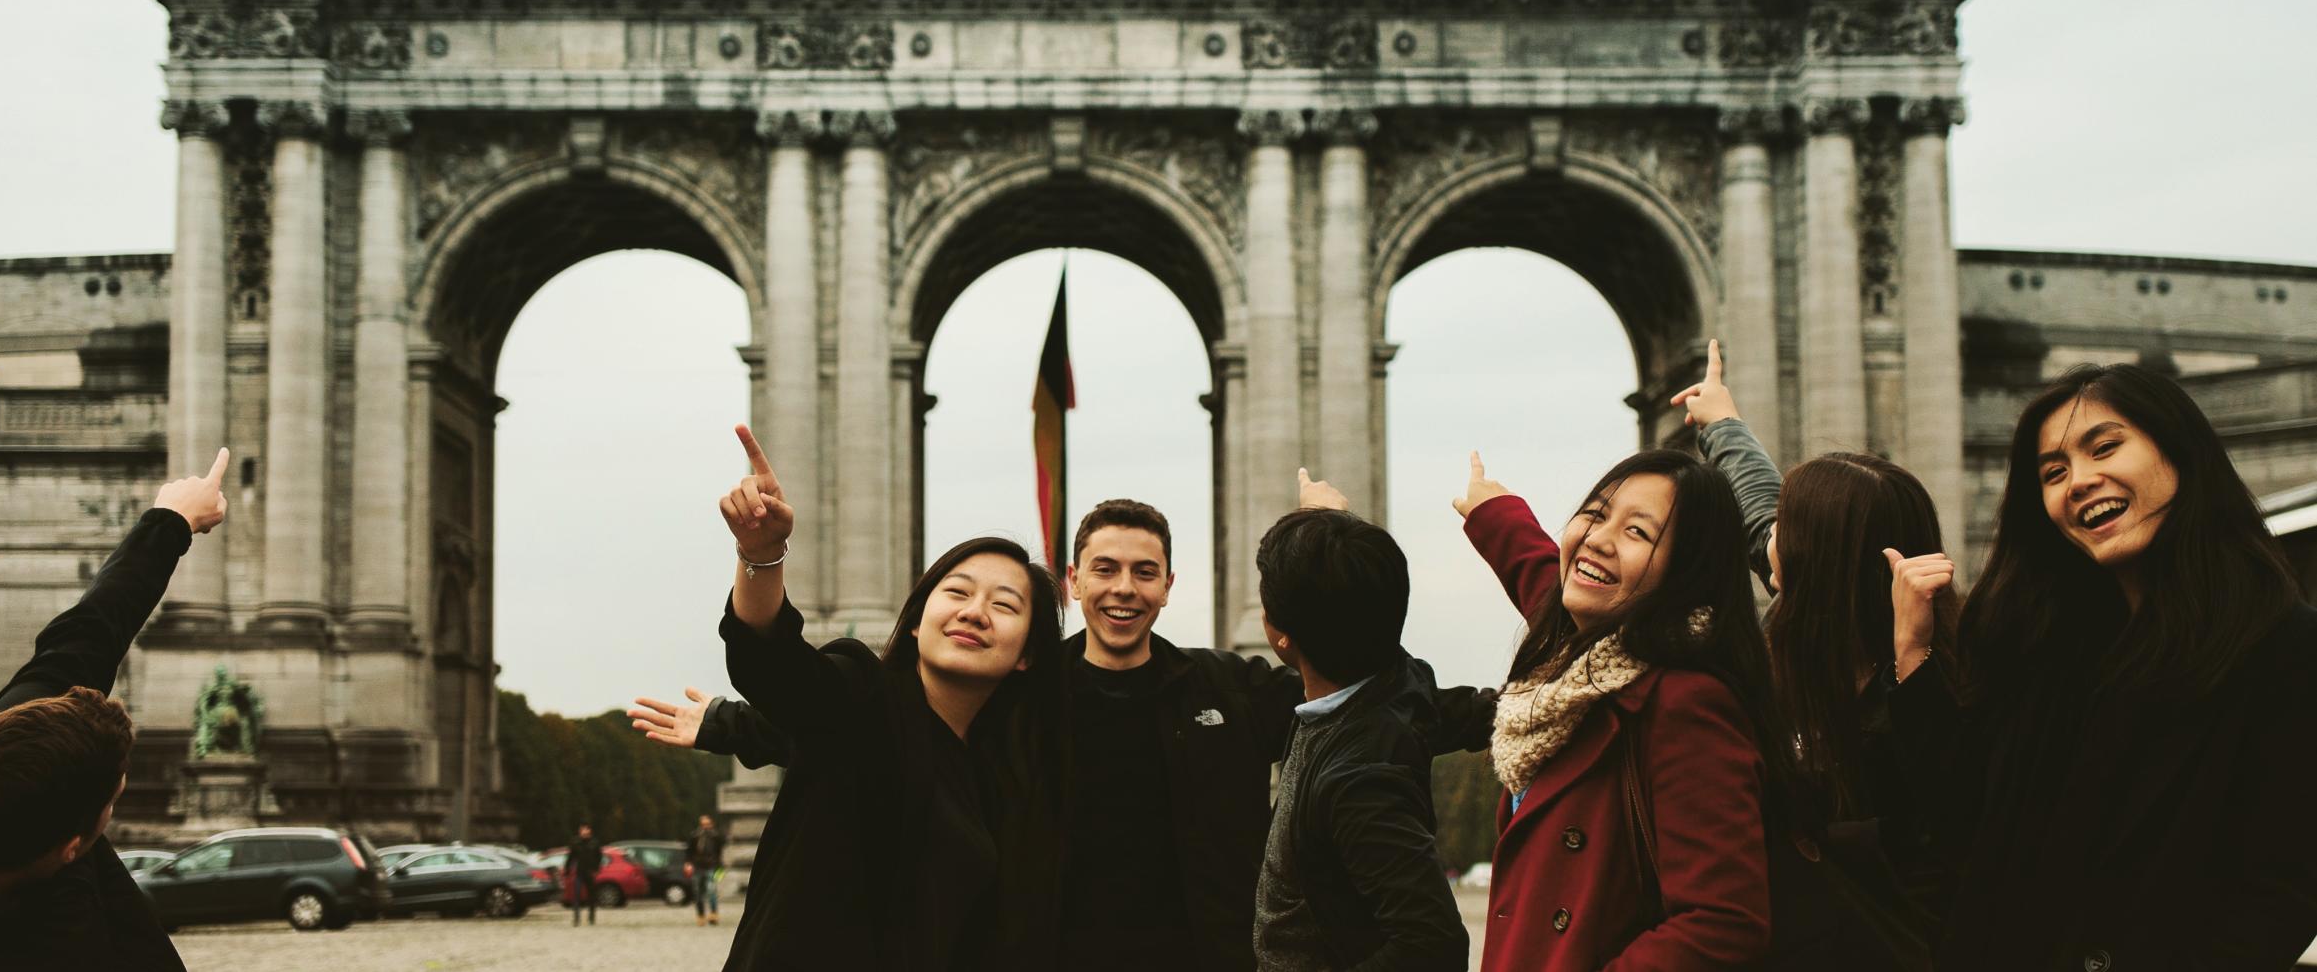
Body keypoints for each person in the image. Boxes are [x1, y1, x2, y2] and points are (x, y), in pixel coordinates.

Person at [638, 476, 1495, 972]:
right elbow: (855, 724)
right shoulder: (1020, 695)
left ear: (1168, 587)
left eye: (1145, 572)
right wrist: (725, 717)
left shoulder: (1232, 688)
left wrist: (1528, 709)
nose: (1125, 587)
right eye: (1105, 570)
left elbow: (1370, 690)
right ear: (1076, 586)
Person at [1887, 363, 2317, 968]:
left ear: (2180, 450)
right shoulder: (2040, 648)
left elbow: (2284, 884)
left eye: (2105, 446)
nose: (2079, 482)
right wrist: (1912, 652)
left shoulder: (2286, 647)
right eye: (2053, 473)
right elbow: (1961, 824)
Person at [708, 424, 1067, 972]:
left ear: (1027, 655)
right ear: (919, 621)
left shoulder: (1007, 777)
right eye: (958, 591)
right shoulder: (859, 693)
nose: (974, 611)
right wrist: (762, 554)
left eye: (1005, 605)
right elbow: (776, 666)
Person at [0, 449, 231, 972]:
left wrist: (172, 522)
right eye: (112, 802)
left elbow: (81, 641)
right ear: (71, 850)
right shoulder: (71, 944)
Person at [1673, 338, 1958, 941]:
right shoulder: (1812, 609)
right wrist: (1722, 421)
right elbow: (1757, 506)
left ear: (1821, 568)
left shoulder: (1944, 681)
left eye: (1790, 532)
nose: (1770, 536)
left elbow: (1943, 826)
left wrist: (1916, 666)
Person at [1458, 447, 1778, 969]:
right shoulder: (1580, 662)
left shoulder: (1685, 703)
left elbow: (1724, 921)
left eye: (1638, 532)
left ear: (1686, 571)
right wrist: (1496, 515)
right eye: (1596, 513)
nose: (1598, 540)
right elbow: (1549, 579)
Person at [1252, 499, 1467, 972]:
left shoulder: (1360, 781)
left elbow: (1433, 943)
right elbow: (1357, 603)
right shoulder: (1393, 686)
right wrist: (1322, 527)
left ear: (1282, 635)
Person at [686, 813, 724, 926]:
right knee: (697, 893)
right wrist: (688, 864)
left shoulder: (716, 837)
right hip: (697, 866)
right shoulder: (694, 836)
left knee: (711, 890)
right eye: (703, 824)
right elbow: (689, 851)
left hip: (711, 866)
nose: (705, 827)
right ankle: (701, 915)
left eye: (707, 824)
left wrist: (719, 867)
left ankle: (713, 914)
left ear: (711, 824)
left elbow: (719, 853)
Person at [565, 823, 601, 926]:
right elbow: (571, 857)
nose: (582, 832)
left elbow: (599, 857)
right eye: (581, 830)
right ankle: (576, 918)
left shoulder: (594, 843)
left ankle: (591, 918)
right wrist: (567, 869)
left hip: (590, 872)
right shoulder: (576, 843)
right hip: (579, 872)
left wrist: (596, 869)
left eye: (584, 830)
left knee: (591, 896)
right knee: (576, 895)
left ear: (589, 830)